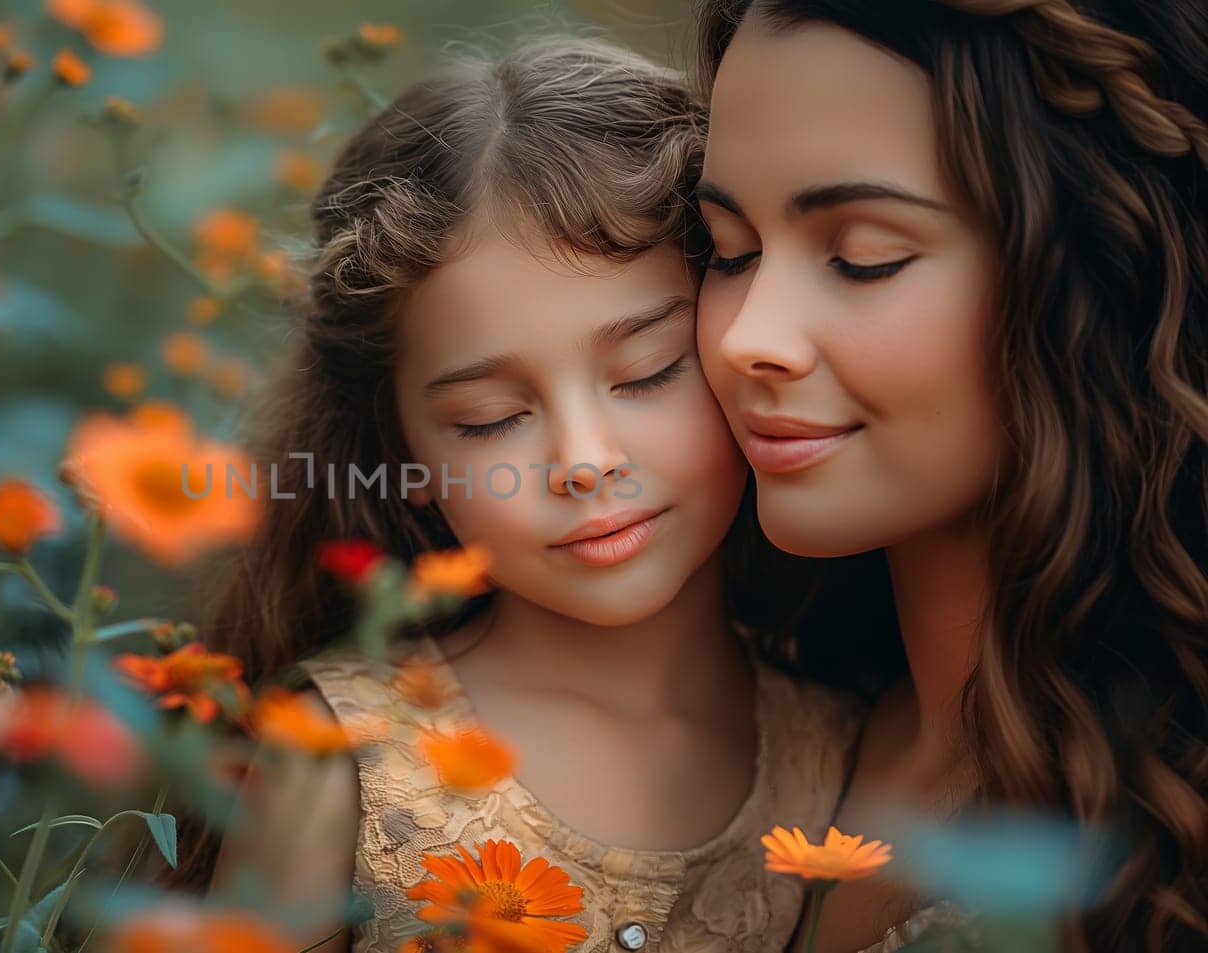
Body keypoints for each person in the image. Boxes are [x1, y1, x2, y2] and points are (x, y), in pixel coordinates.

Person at [197, 37, 864, 953]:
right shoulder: (341, 762)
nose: (583, 462)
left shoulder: (850, 751)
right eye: (489, 417)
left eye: (647, 371)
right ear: (407, 456)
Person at [689, 2, 1208, 950]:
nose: (745, 338)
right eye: (729, 252)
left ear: (1094, 275)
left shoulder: (1173, 825)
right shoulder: (763, 724)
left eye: (862, 259)